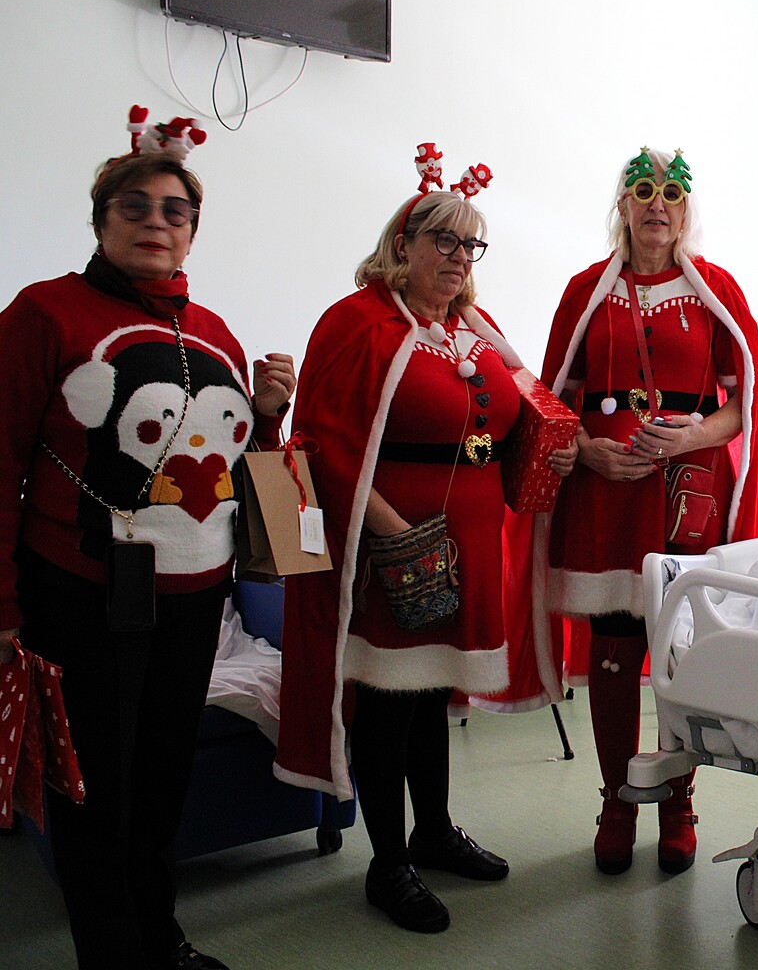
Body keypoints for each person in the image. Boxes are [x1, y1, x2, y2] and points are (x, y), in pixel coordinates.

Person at [0, 109, 295, 970]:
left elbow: (239, 470)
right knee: (99, 790)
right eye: (135, 206)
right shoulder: (43, 314)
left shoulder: (215, 336)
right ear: (101, 220)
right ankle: (112, 954)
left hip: (195, 596)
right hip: (80, 592)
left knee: (163, 776)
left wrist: (270, 417)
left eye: (175, 211)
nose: (156, 223)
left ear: (193, 234)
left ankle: (159, 937)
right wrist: (6, 608)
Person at [274, 147, 570, 934]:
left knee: (434, 693)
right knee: (388, 700)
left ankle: (433, 832)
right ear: (402, 243)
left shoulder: (478, 327)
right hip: (393, 541)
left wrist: (551, 452)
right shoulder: (356, 321)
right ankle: (388, 861)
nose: (457, 257)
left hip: (473, 537)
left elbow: (517, 416)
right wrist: (395, 533)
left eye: (470, 245)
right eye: (443, 240)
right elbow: (325, 444)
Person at [540, 147, 758, 876]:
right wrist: (590, 450)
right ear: (623, 206)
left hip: (684, 498)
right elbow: (550, 401)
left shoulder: (716, 290)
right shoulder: (585, 292)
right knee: (613, 646)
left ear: (686, 210)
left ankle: (676, 800)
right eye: (643, 192)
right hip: (607, 492)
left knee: (676, 650)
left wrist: (691, 436)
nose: (656, 206)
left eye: (671, 194)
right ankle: (613, 800)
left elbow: (743, 406)